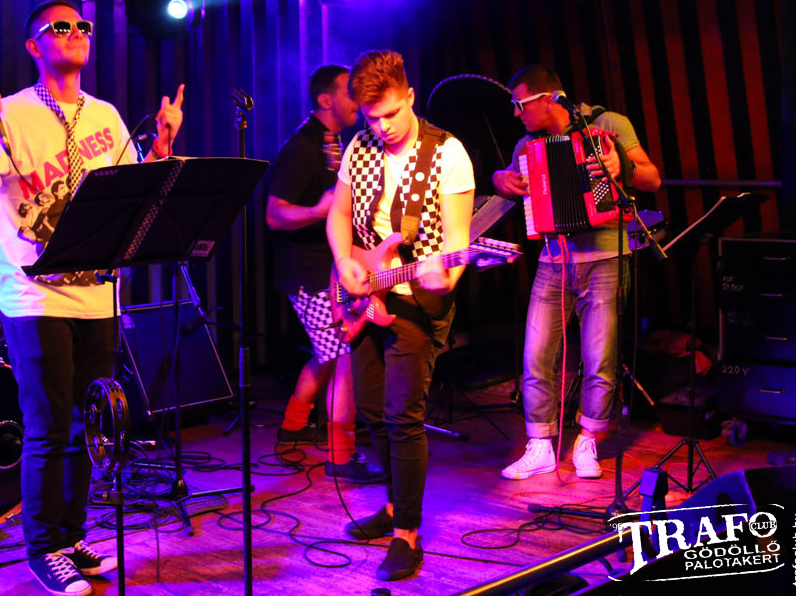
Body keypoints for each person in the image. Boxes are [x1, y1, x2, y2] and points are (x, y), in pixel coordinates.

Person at [0, 0, 184, 596]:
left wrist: (161, 147)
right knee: (49, 425)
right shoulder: (9, 114)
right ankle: (42, 547)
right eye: (60, 27)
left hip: (97, 293)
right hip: (35, 295)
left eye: (82, 25)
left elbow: (138, 194)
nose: (76, 32)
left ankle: (72, 537)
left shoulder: (106, 115)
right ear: (34, 46)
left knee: (88, 422)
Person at [326, 50, 474, 581]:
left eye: (391, 113)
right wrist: (346, 261)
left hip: (418, 301)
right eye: (372, 118)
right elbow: (339, 214)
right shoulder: (359, 147)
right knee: (371, 409)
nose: (383, 126)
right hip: (369, 296)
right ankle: (392, 506)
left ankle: (407, 534)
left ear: (410, 96)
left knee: (402, 416)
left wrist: (445, 276)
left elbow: (457, 246)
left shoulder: (448, 153)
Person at [491, 64, 661, 481]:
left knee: (600, 359)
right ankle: (540, 445)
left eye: (520, 104)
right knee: (535, 356)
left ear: (548, 99)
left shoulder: (609, 124)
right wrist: (501, 180)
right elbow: (509, 182)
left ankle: (588, 441)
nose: (516, 113)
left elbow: (652, 179)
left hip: (605, 258)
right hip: (553, 261)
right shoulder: (527, 145)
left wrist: (621, 165)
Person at [265, 64, 382, 485]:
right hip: (310, 273)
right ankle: (340, 454)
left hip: (329, 270)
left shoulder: (338, 142)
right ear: (325, 99)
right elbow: (274, 214)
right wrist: (318, 211)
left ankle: (293, 429)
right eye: (350, 91)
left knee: (328, 353)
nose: (358, 98)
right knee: (344, 355)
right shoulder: (302, 147)